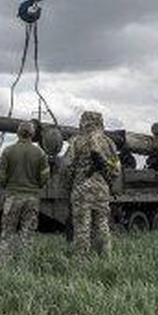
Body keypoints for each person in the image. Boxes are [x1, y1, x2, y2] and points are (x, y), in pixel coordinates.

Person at [64, 110, 120, 257]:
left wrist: (70, 186)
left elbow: (67, 168)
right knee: (102, 225)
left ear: (83, 122)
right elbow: (116, 170)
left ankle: (82, 262)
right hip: (102, 191)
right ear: (100, 122)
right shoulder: (109, 143)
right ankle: (105, 258)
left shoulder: (75, 141)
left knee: (82, 227)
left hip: (81, 190)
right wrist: (106, 181)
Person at [0, 122, 51, 264]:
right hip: (32, 198)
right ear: (32, 135)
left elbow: (0, 175)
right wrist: (37, 186)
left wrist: (6, 186)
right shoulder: (40, 153)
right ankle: (24, 264)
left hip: (13, 196)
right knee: (27, 232)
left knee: (8, 232)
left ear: (18, 133)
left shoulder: (8, 151)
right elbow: (45, 175)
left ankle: (5, 264)